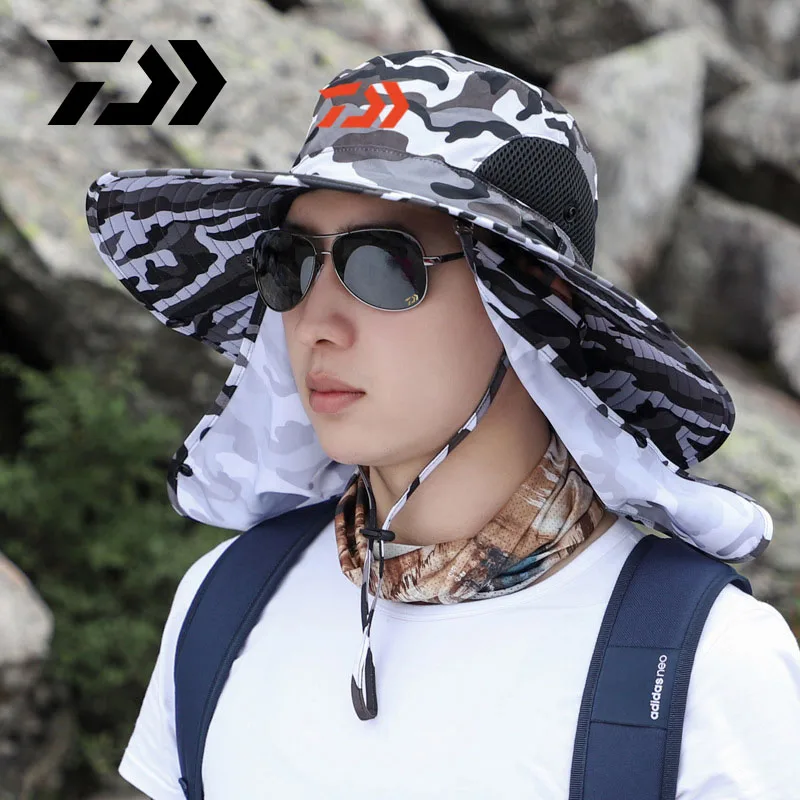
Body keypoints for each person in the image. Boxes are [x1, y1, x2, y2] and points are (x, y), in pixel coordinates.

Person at [85, 49, 800, 798]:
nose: (316, 324)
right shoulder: (223, 603)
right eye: (289, 262)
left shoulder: (706, 667)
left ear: (528, 303)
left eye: (381, 265)